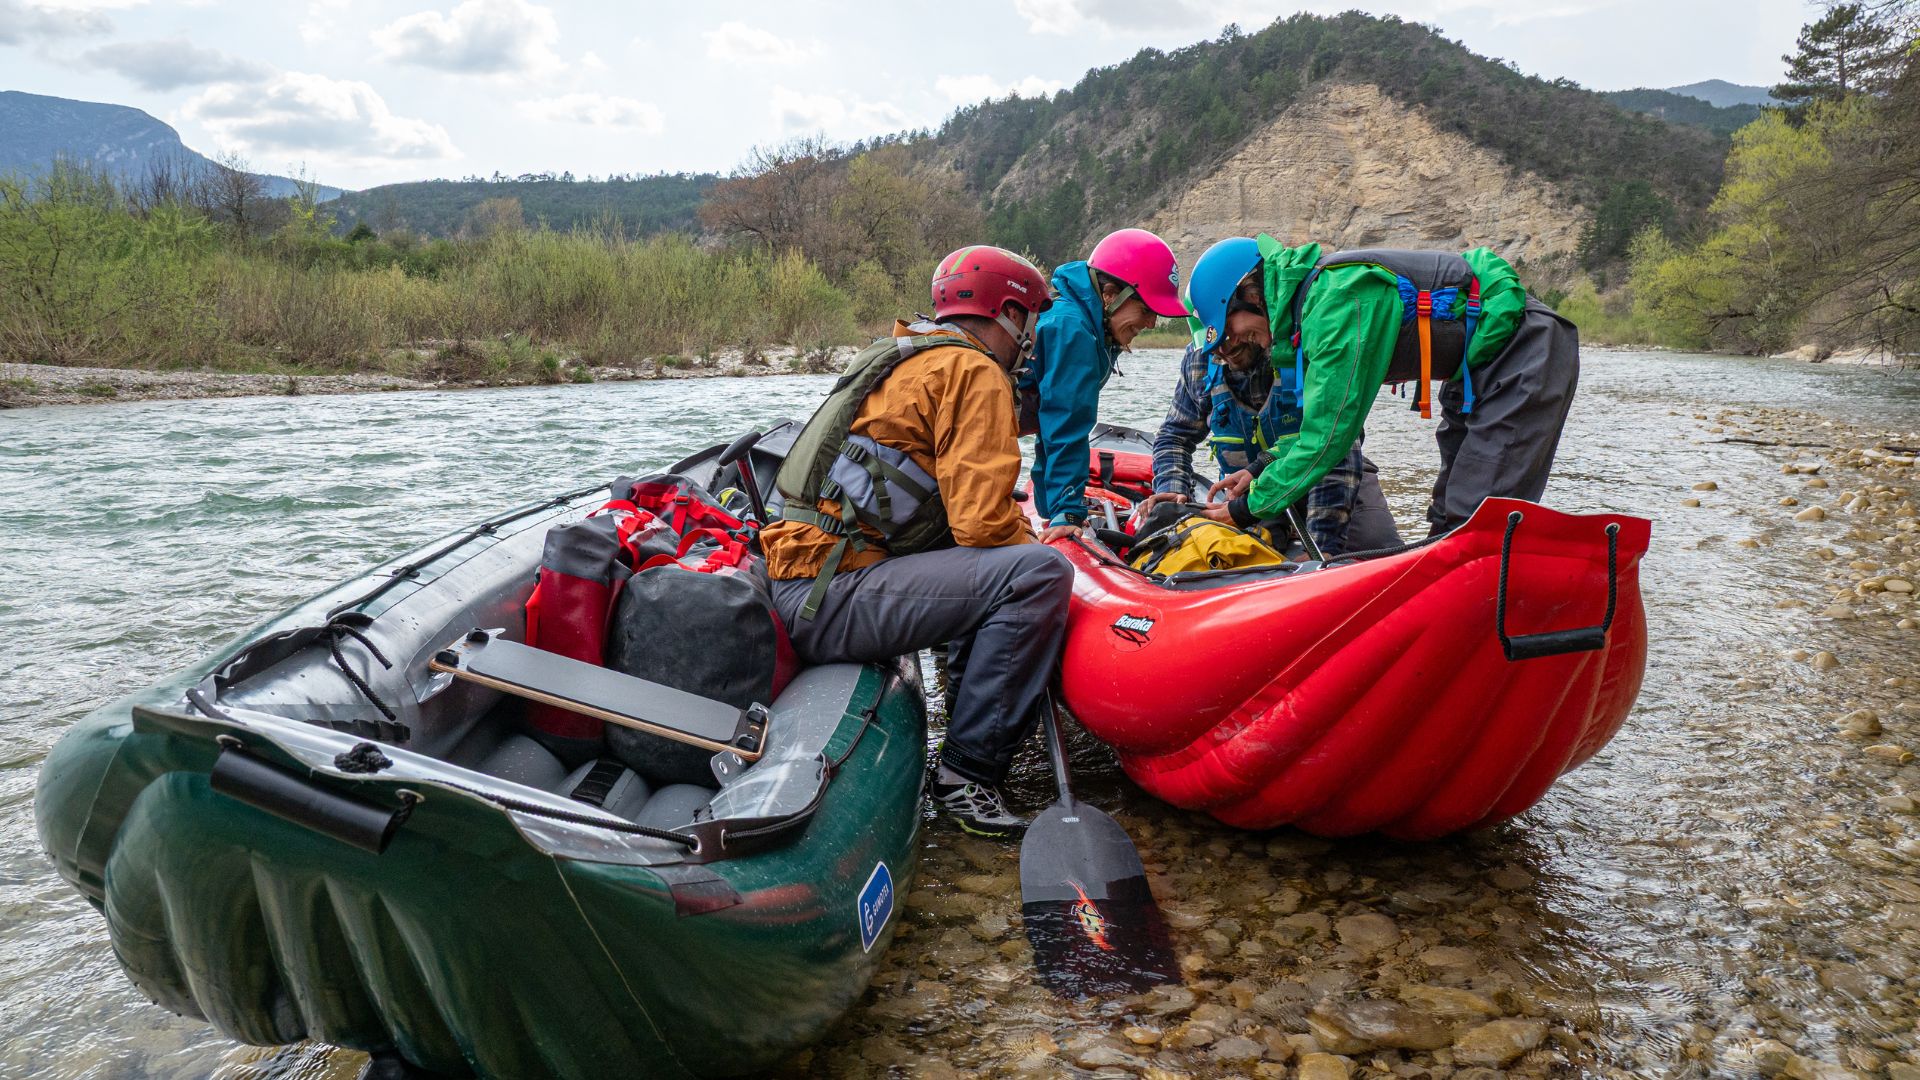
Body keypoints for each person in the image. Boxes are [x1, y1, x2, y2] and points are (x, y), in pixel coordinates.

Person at [761, 245, 1070, 838]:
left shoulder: (909, 356)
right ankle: (967, 774)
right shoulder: (975, 371)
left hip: (806, 584)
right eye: (1029, 320)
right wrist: (1035, 539)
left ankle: (961, 712)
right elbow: (981, 524)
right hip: (831, 598)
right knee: (1038, 574)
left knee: (1004, 565)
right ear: (1007, 313)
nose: (1030, 339)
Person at [1186, 237, 1578, 537]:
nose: (1232, 343)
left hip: (1523, 348)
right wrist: (1259, 468)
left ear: (1251, 295)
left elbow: (1329, 438)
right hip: (1474, 372)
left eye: (1229, 327)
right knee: (1446, 514)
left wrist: (1245, 509)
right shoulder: (1307, 318)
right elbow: (1318, 429)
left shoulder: (1335, 302)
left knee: (1475, 516)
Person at [1144, 241, 1400, 557]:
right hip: (1251, 495)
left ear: (1254, 300)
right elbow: (1173, 437)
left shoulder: (1307, 338)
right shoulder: (1200, 362)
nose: (1224, 349)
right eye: (1214, 344)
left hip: (1336, 478)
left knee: (1382, 552)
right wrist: (1171, 490)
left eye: (1227, 334)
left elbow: (1336, 442)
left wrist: (1323, 550)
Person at [1022, 228, 1189, 542]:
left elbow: (1050, 429)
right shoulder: (1074, 332)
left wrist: (1052, 511)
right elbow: (1064, 428)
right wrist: (1068, 514)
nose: (1151, 323)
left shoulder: (1078, 320)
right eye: (1145, 310)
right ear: (1110, 294)